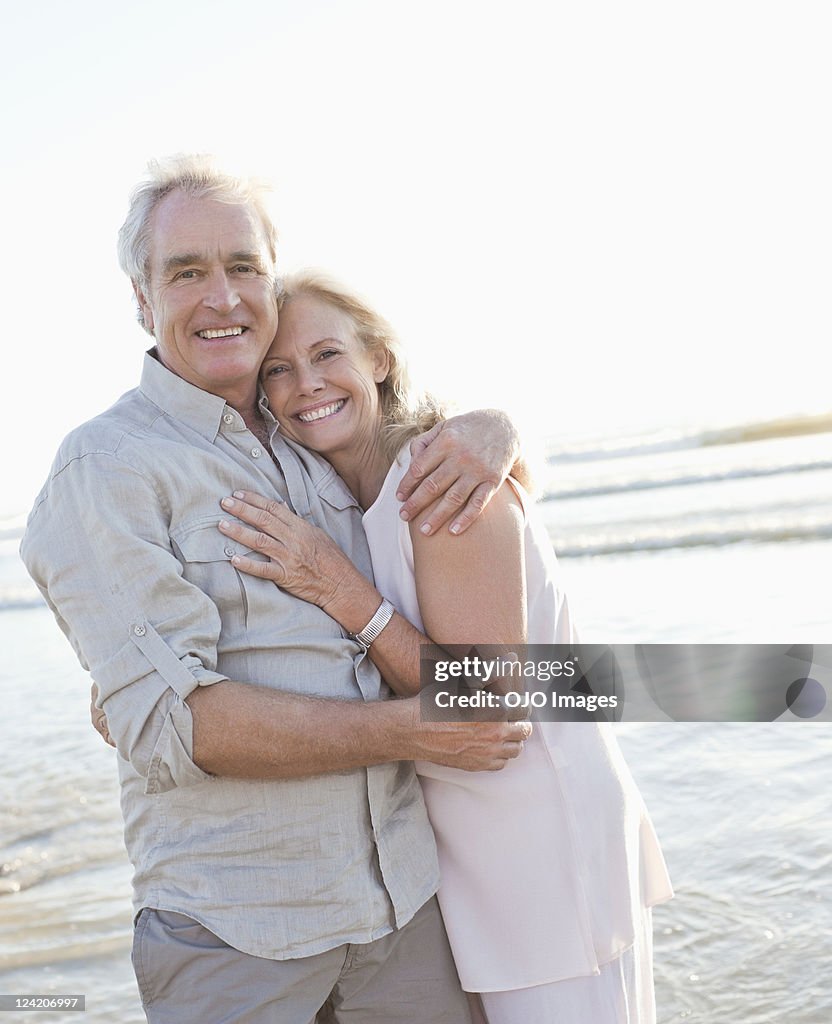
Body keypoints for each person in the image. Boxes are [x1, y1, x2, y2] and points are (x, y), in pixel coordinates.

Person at [20, 155, 533, 1024]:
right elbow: (177, 723)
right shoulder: (107, 468)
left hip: (406, 910)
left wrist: (497, 426)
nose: (222, 297)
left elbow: (430, 463)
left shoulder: (316, 433)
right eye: (187, 273)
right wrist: (419, 729)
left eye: (243, 267)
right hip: (238, 932)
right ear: (143, 302)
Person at [215, 271, 674, 1024]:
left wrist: (345, 595)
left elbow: (489, 705)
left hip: (541, 851)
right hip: (465, 859)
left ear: (381, 361)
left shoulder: (442, 481)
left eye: (328, 354)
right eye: (278, 370)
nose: (306, 385)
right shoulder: (348, 505)